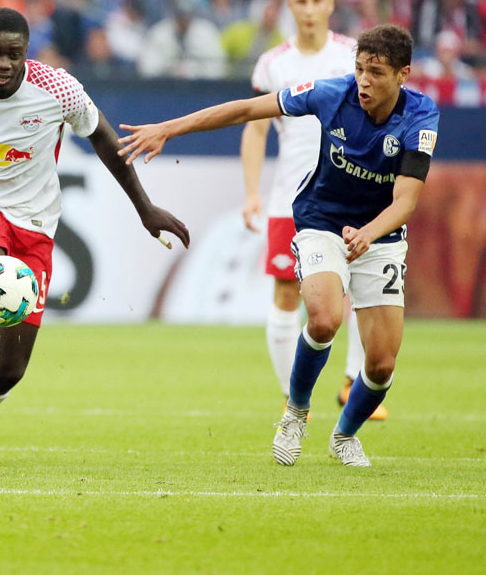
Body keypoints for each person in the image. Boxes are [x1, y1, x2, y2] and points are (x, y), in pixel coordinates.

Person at [119, 24, 438, 467]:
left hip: (380, 233)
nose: (364, 81)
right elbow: (249, 109)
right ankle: (295, 413)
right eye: (360, 69)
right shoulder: (332, 94)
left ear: (403, 74)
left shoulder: (421, 117)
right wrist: (170, 129)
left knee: (382, 365)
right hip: (321, 222)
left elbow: (405, 200)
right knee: (324, 319)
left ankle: (345, 435)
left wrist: (368, 234)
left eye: (377, 73)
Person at [0, 7, 190, 464]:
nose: (4, 64)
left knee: (9, 372)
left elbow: (104, 140)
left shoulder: (58, 88)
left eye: (14, 54)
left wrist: (145, 208)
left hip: (36, 223)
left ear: (27, 53)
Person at [241, 0, 386, 420]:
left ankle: (351, 380)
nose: (307, 10)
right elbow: (256, 127)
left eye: (315, 1)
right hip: (291, 197)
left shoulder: (351, 57)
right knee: (287, 292)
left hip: (352, 194)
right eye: (300, 1)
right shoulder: (272, 64)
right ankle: (291, 394)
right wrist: (251, 193)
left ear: (329, 5)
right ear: (291, 6)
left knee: (361, 287)